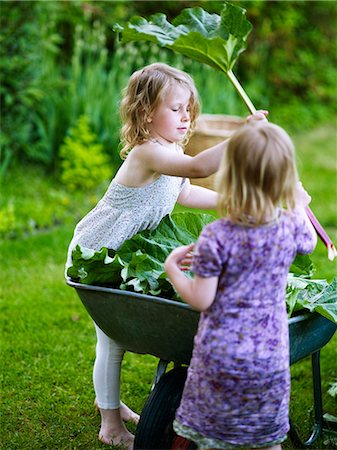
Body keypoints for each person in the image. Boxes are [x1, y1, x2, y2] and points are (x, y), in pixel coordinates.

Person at [65, 62, 267, 448]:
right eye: (175, 108)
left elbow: (185, 192)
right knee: (112, 339)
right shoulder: (147, 153)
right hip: (98, 252)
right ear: (145, 113)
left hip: (124, 253)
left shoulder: (170, 149)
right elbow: (197, 166)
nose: (185, 115)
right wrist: (245, 134)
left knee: (113, 339)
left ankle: (110, 403)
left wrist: (232, 203)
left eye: (188, 107)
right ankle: (110, 425)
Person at [164, 121, 317, 450]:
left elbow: (201, 299)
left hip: (219, 358)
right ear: (285, 179)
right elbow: (310, 242)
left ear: (229, 177)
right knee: (267, 439)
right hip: (269, 357)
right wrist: (299, 203)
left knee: (211, 435)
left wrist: (172, 269)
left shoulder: (217, 236)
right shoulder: (290, 228)